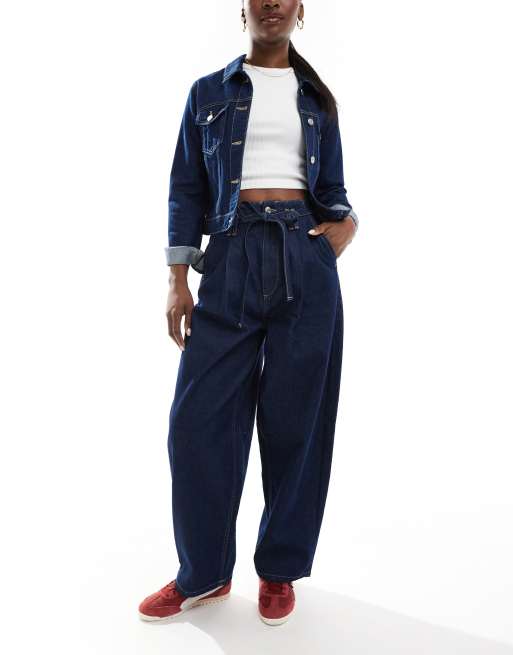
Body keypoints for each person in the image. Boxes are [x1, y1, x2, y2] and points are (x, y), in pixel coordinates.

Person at [139, 0, 359, 626]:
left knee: (297, 422)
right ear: (244, 9)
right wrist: (177, 279)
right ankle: (204, 573)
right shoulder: (208, 93)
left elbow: (333, 190)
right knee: (196, 422)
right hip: (230, 259)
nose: (271, 3)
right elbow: (186, 188)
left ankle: (279, 568)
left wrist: (347, 225)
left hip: (303, 259)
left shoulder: (318, 99)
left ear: (299, 10)